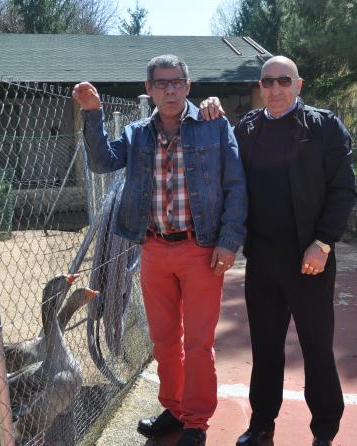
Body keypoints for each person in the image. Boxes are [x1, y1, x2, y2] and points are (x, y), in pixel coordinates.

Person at [73, 54, 247, 446]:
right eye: (162, 83)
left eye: (177, 82)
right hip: (153, 248)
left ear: (188, 86)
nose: (170, 90)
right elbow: (101, 162)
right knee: (165, 340)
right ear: (149, 89)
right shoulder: (137, 134)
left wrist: (228, 241)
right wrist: (92, 113)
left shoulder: (214, 125)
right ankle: (174, 408)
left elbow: (236, 185)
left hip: (201, 249)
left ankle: (196, 422)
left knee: (198, 343)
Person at [200, 55, 357, 446]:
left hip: (310, 259)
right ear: (260, 87)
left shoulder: (324, 127)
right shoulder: (247, 128)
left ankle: (324, 431)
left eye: (283, 80)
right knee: (266, 348)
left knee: (316, 348)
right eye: (267, 82)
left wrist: (323, 242)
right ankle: (262, 424)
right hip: (262, 260)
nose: (275, 89)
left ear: (298, 85)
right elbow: (222, 167)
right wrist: (207, 108)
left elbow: (343, 190)